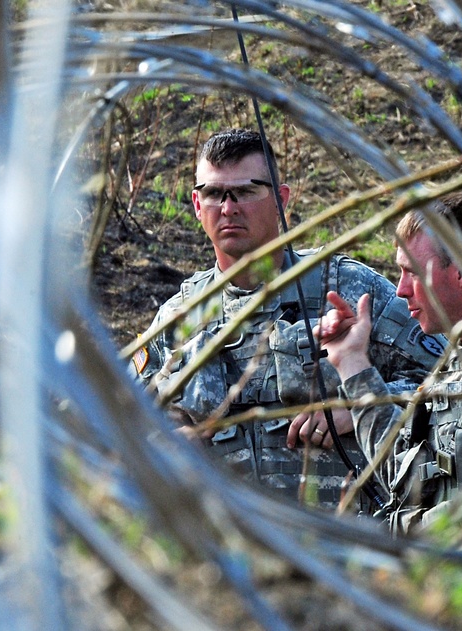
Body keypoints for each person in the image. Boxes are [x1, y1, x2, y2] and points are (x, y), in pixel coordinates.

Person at [130, 128, 445, 509]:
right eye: (214, 194)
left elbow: (449, 385)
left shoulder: (344, 287)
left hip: (345, 543)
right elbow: (126, 423)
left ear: (280, 200)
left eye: (246, 191)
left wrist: (361, 409)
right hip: (231, 551)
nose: (229, 208)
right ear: (197, 204)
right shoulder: (178, 318)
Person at [315, 191, 462, 532]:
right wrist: (351, 363)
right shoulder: (453, 366)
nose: (400, 290)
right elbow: (406, 477)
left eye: (411, 272)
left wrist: (410, 534)